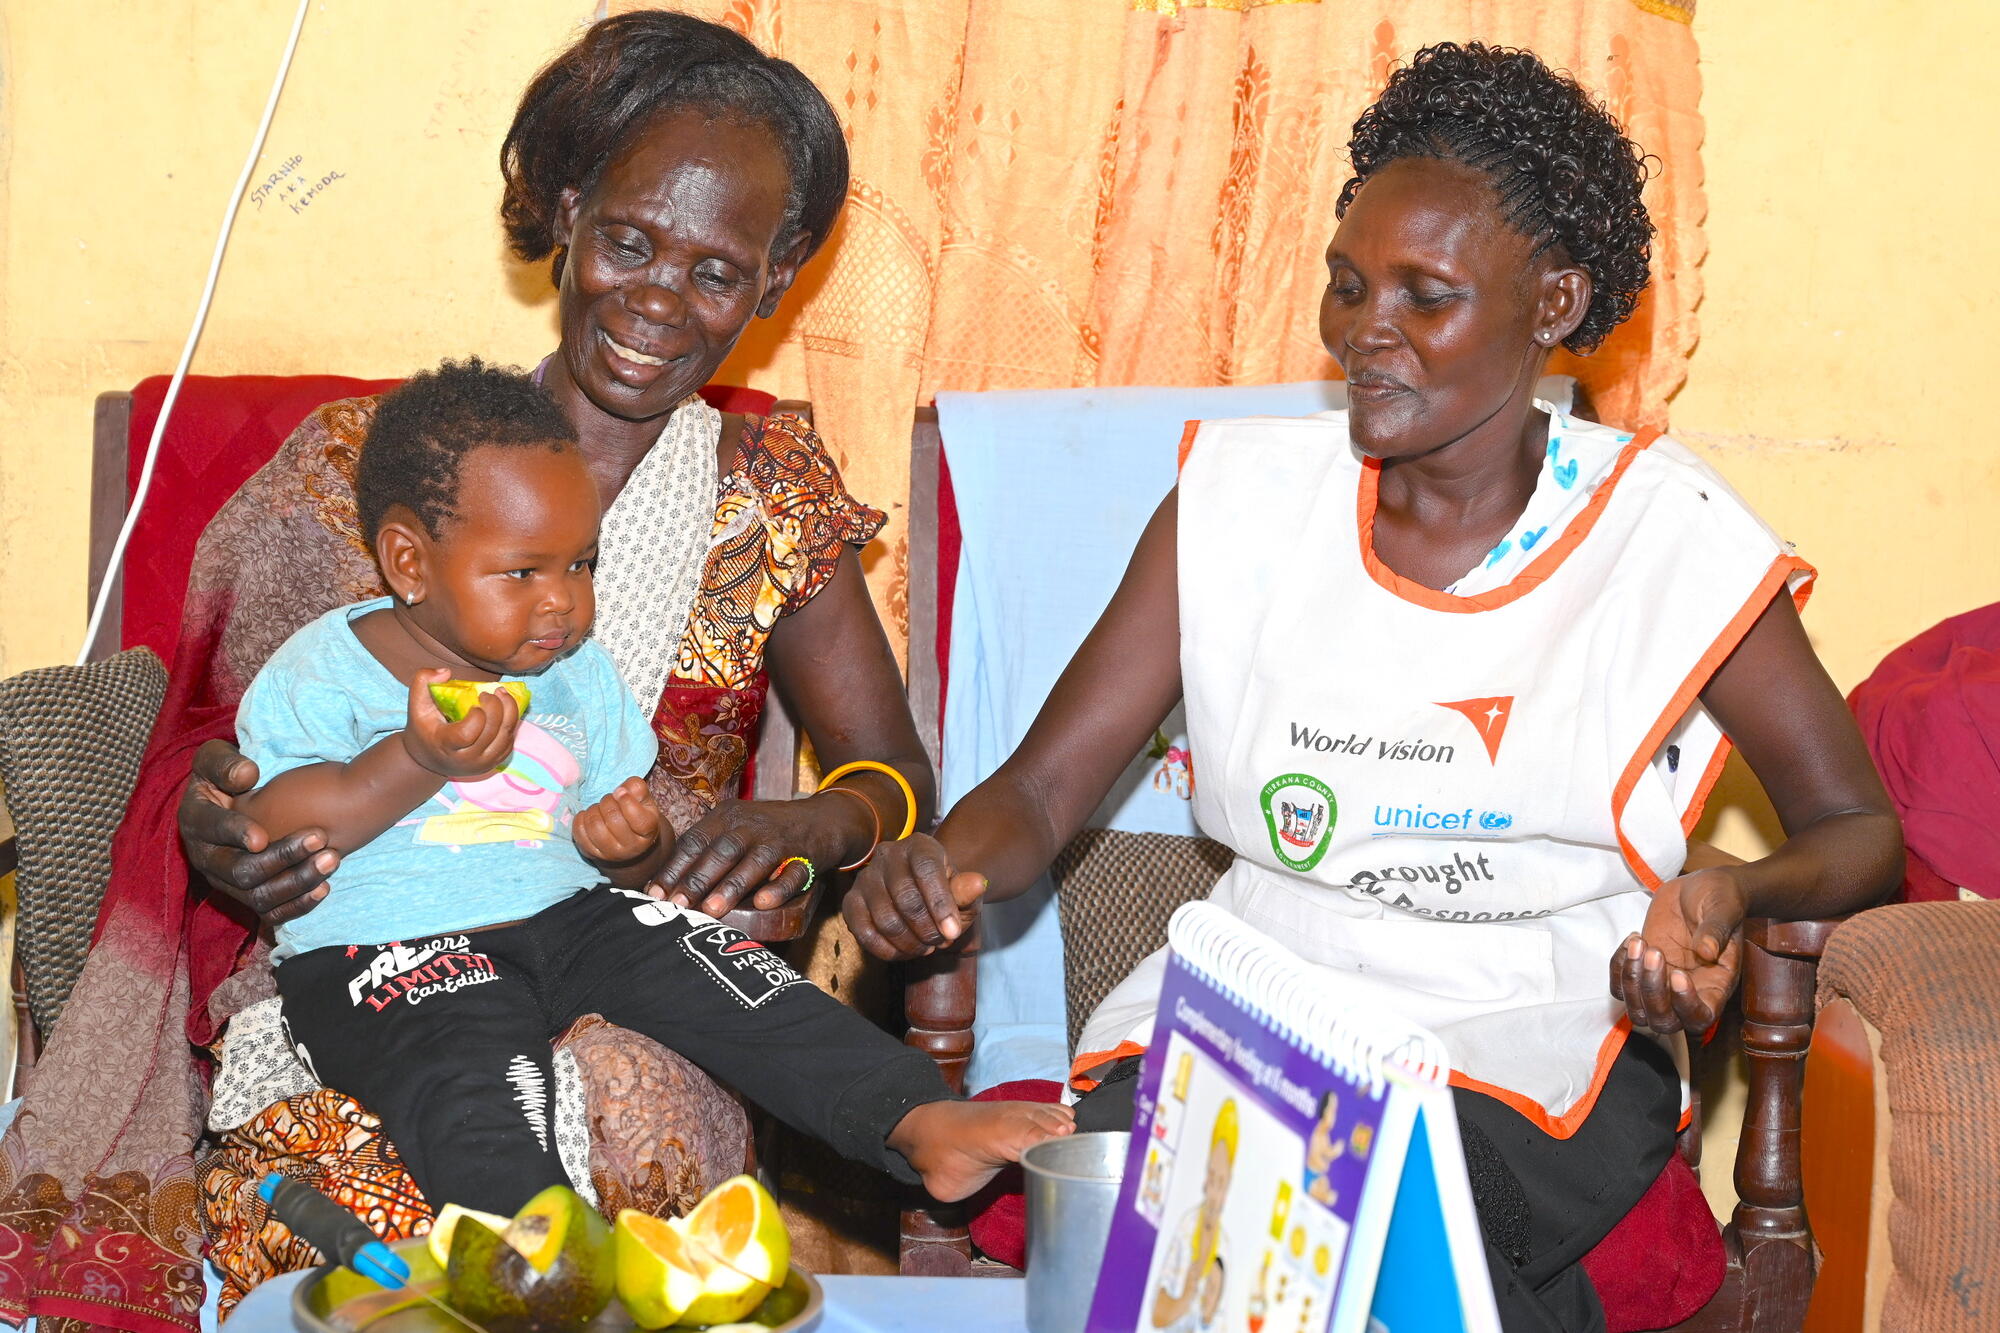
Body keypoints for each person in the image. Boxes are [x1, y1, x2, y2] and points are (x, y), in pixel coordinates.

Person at [840, 42, 1903, 1331]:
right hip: (1256, 999)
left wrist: (1729, 890)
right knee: (1168, 1234)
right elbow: (1043, 787)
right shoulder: (1234, 506)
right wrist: (945, 862)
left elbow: (1858, 829)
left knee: (1407, 1224)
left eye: (1424, 295)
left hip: (1534, 1018)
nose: (1364, 334)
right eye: (1346, 287)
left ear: (1553, 304)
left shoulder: (1661, 537)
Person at [0, 14, 934, 1328]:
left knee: (622, 1129)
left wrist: (811, 819)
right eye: (628, 242)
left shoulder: (768, 492)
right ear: (564, 213)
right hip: (367, 973)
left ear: (776, 282)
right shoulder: (368, 468)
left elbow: (894, 776)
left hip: (635, 975)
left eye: (719, 271)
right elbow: (221, 740)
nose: (661, 298)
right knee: (372, 1230)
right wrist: (218, 824)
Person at [236, 360, 1068, 1216]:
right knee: (469, 1080)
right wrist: (416, 758)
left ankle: (912, 1118)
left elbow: (625, 844)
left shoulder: (573, 673)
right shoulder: (328, 669)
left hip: (568, 921)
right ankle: (541, 1250)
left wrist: (634, 845)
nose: (563, 602)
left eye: (582, 565)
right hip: (394, 954)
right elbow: (269, 825)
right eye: (524, 572)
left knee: (729, 972)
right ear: (410, 561)